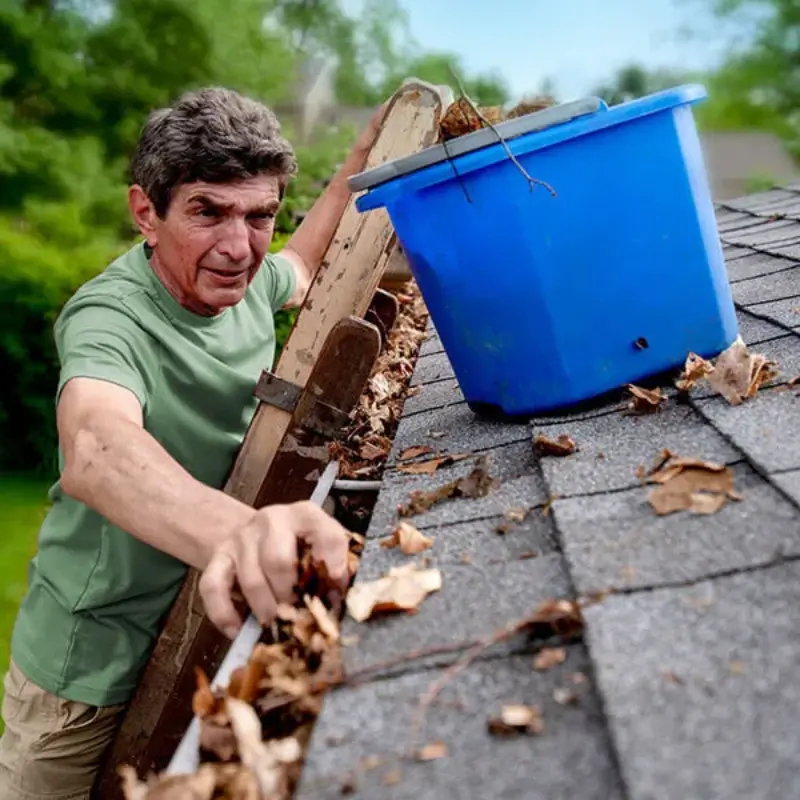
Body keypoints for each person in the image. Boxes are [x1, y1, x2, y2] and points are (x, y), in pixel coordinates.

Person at [0, 86, 387, 800]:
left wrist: (360, 162)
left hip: (195, 634)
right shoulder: (108, 317)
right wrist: (243, 533)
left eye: (260, 215)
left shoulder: (248, 282)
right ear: (145, 212)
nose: (239, 247)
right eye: (207, 212)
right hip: (83, 675)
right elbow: (95, 444)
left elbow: (301, 264)